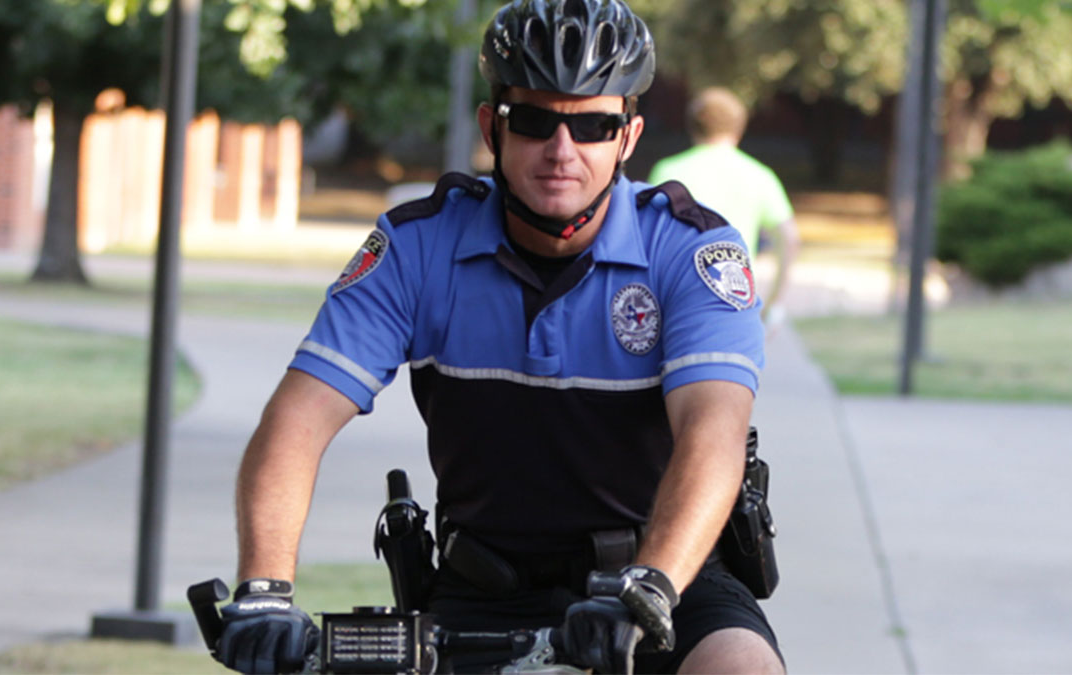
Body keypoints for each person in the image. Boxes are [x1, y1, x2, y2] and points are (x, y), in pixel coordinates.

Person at [210, 1, 784, 673]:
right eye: (535, 121)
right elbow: (296, 420)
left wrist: (651, 583)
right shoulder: (416, 247)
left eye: (592, 125)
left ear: (627, 137)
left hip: (666, 576)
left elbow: (713, 436)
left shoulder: (689, 252)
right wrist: (263, 589)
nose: (561, 150)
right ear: (492, 127)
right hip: (481, 588)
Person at [649, 87, 800, 326]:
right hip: (735, 300)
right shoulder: (760, 175)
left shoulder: (667, 172)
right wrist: (775, 303)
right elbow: (789, 238)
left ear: (692, 125)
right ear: (739, 126)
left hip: (673, 301)